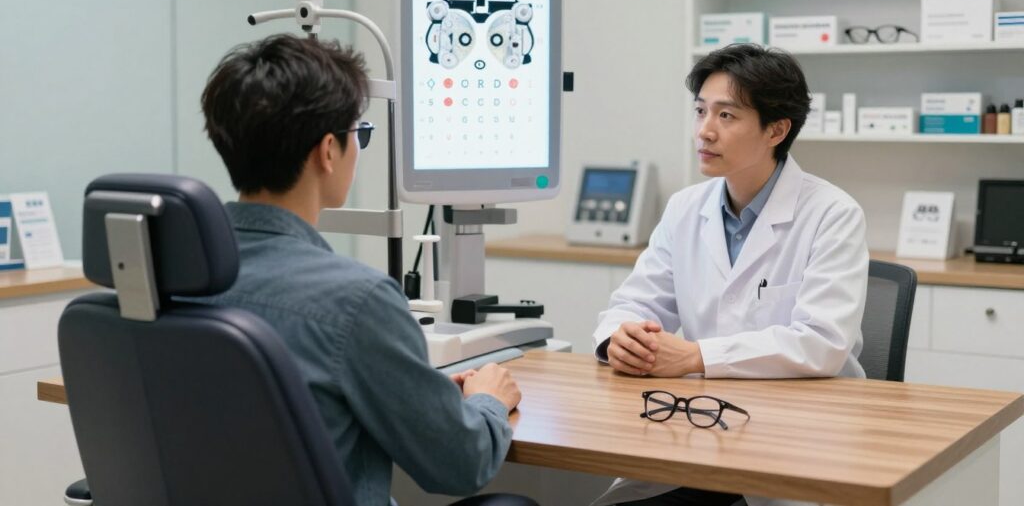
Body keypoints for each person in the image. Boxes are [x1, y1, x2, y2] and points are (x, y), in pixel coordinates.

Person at [196, 33, 525, 506]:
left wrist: (422, 396)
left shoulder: (172, 280)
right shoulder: (357, 301)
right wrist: (488, 399)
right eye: (358, 133)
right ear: (328, 151)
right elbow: (460, 464)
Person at [590, 44, 869, 506]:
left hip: (799, 440)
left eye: (726, 116)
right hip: (700, 431)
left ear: (776, 129)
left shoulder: (832, 214)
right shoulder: (685, 208)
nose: (705, 130)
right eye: (701, 111)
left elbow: (822, 344)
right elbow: (634, 303)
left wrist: (696, 356)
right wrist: (619, 339)